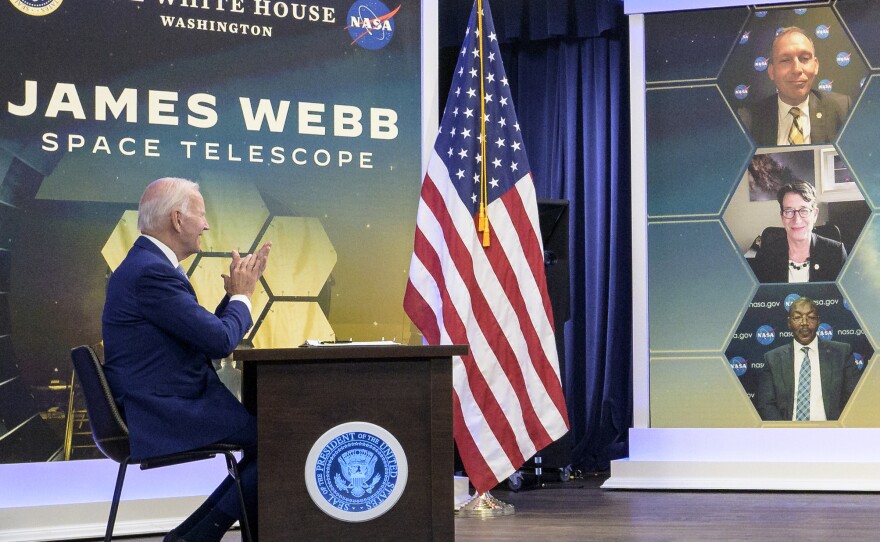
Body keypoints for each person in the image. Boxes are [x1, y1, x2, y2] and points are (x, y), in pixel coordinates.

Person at [102, 177, 271, 542]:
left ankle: (190, 535)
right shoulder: (151, 272)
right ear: (178, 220)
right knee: (280, 441)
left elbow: (200, 332)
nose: (206, 225)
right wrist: (242, 297)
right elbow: (220, 340)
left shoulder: (145, 266)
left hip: (164, 401)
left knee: (271, 439)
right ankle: (198, 536)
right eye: (201, 215)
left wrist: (233, 297)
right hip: (162, 409)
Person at [739, 27, 851, 147]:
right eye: (785, 60)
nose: (797, 69)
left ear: (815, 66)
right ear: (771, 71)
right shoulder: (748, 120)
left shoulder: (842, 109)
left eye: (804, 59)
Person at [753, 297, 860, 421]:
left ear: (818, 321)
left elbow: (854, 399)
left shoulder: (842, 353)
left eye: (811, 317)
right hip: (787, 434)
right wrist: (784, 433)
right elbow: (766, 404)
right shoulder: (773, 359)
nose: (804, 322)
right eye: (797, 318)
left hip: (830, 433)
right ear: (789, 323)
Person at [751, 181, 846, 283]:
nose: (797, 220)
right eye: (789, 211)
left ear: (815, 214)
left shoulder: (836, 253)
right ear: (782, 216)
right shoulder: (765, 256)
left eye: (804, 210)